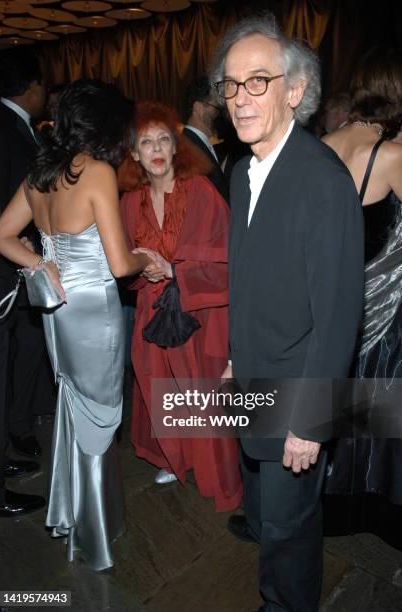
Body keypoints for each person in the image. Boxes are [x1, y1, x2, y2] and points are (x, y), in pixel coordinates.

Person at [211, 13, 364, 611]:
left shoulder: (322, 183)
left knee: (288, 533)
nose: (240, 99)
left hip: (296, 391)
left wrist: (310, 420)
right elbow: (248, 283)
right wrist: (233, 357)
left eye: (257, 82)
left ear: (295, 92)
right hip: (254, 375)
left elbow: (338, 316)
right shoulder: (245, 171)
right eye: (231, 84)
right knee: (267, 516)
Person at [0, 79, 150, 570]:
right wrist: (151, 259)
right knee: (101, 416)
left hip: (58, 313)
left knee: (74, 406)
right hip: (94, 312)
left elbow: (1, 235)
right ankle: (95, 534)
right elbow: (121, 263)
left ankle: (71, 512)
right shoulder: (98, 171)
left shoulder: (41, 172)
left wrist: (41, 265)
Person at [119, 101, 242, 512]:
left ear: (177, 147)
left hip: (200, 313)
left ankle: (212, 470)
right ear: (134, 153)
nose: (156, 148)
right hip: (152, 312)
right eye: (146, 141)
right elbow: (121, 264)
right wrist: (143, 272)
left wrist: (175, 270)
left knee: (200, 391)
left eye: (164, 139)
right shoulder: (128, 202)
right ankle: (176, 457)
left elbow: (230, 258)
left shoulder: (202, 192)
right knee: (163, 387)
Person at [322, 49, 402, 546]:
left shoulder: (321, 146)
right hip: (385, 303)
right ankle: (383, 510)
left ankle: (335, 508)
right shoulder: (392, 153)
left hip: (333, 301)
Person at [0, 49, 50, 518]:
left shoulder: (12, 128)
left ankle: (2, 459)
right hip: (2, 278)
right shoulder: (6, 134)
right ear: (30, 87)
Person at [183, 76, 229, 202]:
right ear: (198, 108)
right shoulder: (187, 148)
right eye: (216, 107)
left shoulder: (198, 144)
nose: (219, 113)